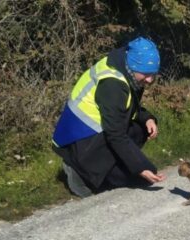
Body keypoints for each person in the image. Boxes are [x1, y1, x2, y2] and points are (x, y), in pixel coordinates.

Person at [52, 37, 166, 198]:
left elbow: (128, 108)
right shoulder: (113, 84)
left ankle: (103, 168)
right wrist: (140, 167)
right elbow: (115, 134)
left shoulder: (126, 71)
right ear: (133, 65)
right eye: (146, 74)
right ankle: (78, 169)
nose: (150, 80)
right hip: (79, 139)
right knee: (141, 179)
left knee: (141, 130)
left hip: (98, 132)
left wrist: (147, 118)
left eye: (153, 74)